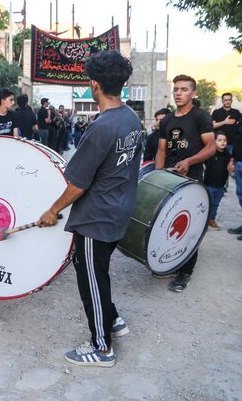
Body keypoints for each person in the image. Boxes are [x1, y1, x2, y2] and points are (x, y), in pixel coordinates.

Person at [37, 50, 142, 367]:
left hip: (97, 218)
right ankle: (114, 320)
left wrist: (52, 210)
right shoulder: (131, 119)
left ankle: (102, 347)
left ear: (94, 84)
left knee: (92, 280)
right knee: (92, 271)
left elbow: (78, 183)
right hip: (118, 212)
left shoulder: (101, 127)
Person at [155, 74, 215, 292]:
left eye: (184, 89)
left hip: (192, 179)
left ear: (193, 93)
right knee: (167, 221)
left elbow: (211, 147)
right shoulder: (168, 120)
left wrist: (189, 161)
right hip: (170, 179)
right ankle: (170, 261)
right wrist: (158, 176)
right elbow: (161, 150)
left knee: (190, 224)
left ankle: (185, 272)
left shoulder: (201, 117)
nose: (178, 93)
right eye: (176, 89)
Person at [203, 133, 233, 229]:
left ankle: (211, 220)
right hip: (209, 184)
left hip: (221, 185)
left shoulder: (227, 154)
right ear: (214, 142)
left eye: (225, 140)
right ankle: (203, 222)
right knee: (208, 203)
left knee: (216, 204)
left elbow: (229, 166)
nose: (223, 142)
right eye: (220, 140)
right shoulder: (210, 153)